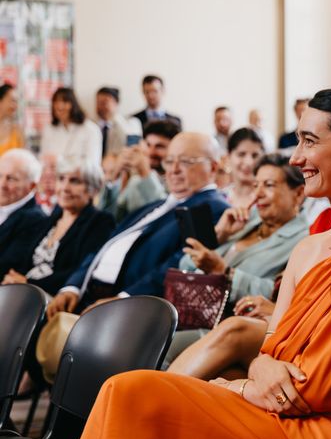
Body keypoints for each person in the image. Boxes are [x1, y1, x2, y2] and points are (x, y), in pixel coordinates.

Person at [79, 85, 331, 439]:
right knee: (123, 391)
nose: (295, 158)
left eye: (309, 141)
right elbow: (267, 349)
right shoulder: (307, 249)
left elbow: (314, 390)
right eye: (298, 141)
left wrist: (236, 387)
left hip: (327, 427)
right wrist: (257, 372)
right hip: (275, 409)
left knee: (129, 393)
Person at [45, 132, 229, 317]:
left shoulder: (212, 208)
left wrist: (126, 299)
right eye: (169, 160)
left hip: (131, 308)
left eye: (186, 162)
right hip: (87, 296)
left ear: (213, 167)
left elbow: (181, 266)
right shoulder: (155, 206)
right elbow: (104, 247)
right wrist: (72, 287)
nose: (173, 169)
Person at [165, 153, 308, 368]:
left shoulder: (305, 239)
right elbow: (185, 265)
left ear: (298, 193)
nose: (258, 194)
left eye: (268, 185)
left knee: (163, 346)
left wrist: (224, 272)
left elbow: (283, 294)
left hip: (226, 322)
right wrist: (221, 233)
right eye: (255, 185)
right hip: (191, 312)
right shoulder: (245, 223)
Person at [1, 158, 115, 296]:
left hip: (57, 298)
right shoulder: (52, 219)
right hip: (24, 293)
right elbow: (24, 260)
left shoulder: (101, 222)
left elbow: (83, 270)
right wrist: (14, 278)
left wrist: (28, 282)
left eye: (75, 181)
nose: (65, 188)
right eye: (61, 179)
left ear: (93, 189)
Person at [96, 120, 177, 221]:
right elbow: (108, 218)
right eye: (148, 145)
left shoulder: (178, 183)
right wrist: (114, 176)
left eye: (159, 146)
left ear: (174, 149)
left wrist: (145, 172)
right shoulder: (135, 182)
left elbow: (164, 216)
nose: (151, 152)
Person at [0, 149, 48, 277]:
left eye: (11, 179)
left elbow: (7, 266)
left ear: (31, 186)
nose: (2, 184)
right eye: (0, 175)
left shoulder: (36, 219)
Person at [40, 88, 102, 166]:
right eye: (56, 102)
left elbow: (92, 164)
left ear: (74, 104)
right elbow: (43, 159)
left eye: (65, 102)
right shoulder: (49, 129)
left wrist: (60, 161)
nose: (59, 106)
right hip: (52, 177)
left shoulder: (91, 129)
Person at [223, 128, 264, 208]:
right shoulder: (220, 198)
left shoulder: (266, 200)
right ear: (228, 157)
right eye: (241, 154)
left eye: (255, 155)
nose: (249, 162)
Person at [95, 86, 142, 157]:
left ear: (116, 103)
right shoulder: (92, 126)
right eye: (98, 102)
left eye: (105, 102)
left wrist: (114, 116)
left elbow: (131, 143)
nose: (101, 106)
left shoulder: (132, 123)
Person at [0, 83, 24, 156]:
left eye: (16, 101)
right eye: (12, 100)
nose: (15, 106)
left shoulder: (17, 130)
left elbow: (23, 160)